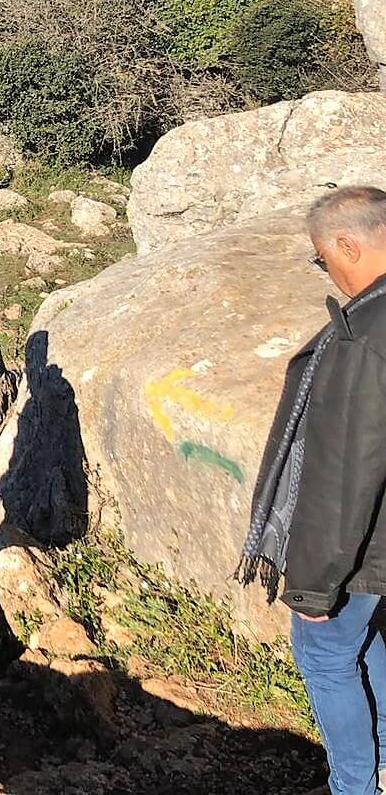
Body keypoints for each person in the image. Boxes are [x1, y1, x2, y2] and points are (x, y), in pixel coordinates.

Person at [239, 186, 386, 795]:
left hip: (364, 549)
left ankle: (355, 785)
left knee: (326, 653)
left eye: (321, 260)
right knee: (365, 642)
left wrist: (314, 583)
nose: (327, 272)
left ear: (348, 246)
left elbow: (343, 473)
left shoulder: (364, 336)